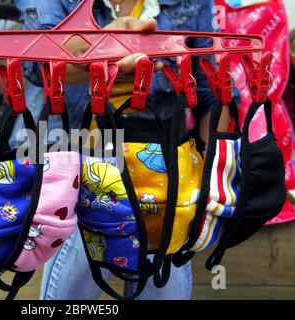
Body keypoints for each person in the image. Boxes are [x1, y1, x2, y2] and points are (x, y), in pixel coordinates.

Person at [13, 0, 231, 300]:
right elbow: (38, 65)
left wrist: (208, 181)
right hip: (71, 150)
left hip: (157, 156)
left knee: (163, 257)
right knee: (88, 228)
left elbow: (212, 95)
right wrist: (102, 48)